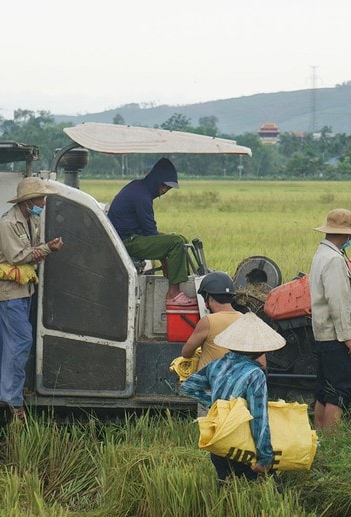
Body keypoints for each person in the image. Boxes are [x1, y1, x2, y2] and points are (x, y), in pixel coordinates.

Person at [0, 176, 64, 420]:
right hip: (10, 291)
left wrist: (43, 247)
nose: (43, 203)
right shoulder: (8, 223)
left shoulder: (30, 219)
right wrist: (47, 249)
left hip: (22, 290)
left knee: (9, 343)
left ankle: (1, 394)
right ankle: (13, 400)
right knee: (21, 341)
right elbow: (17, 257)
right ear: (28, 201)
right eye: (41, 198)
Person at [180, 311, 285, 482]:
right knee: (260, 491)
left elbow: (188, 387)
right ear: (260, 349)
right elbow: (259, 417)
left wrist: (217, 404)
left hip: (220, 443)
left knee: (226, 488)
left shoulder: (217, 365)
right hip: (242, 444)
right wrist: (265, 456)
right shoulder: (254, 374)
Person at [309, 208, 351, 431]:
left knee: (325, 390)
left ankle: (319, 437)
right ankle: (332, 441)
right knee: (339, 392)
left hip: (324, 334)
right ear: (347, 235)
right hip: (336, 336)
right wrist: (348, 337)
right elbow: (337, 302)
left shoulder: (322, 254)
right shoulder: (333, 259)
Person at [107, 157, 193, 305]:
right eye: (164, 186)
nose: (165, 191)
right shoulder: (142, 196)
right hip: (127, 242)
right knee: (176, 242)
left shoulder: (139, 188)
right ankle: (173, 293)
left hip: (133, 237)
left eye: (168, 188)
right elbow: (150, 232)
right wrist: (164, 256)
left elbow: (149, 231)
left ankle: (178, 281)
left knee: (181, 239)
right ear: (156, 180)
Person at [181, 272, 268, 417]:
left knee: (210, 431)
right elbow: (261, 362)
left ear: (209, 298)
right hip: (238, 388)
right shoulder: (245, 320)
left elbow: (186, 352)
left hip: (212, 386)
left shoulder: (207, 321)